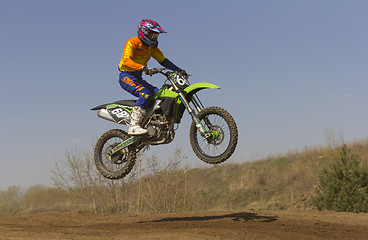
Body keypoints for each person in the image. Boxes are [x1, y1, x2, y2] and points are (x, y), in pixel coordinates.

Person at [118, 19, 184, 135]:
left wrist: (178, 70)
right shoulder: (133, 42)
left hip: (138, 78)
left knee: (160, 94)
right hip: (126, 76)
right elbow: (126, 61)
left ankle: (152, 123)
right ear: (144, 32)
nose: (154, 38)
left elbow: (163, 60)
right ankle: (134, 125)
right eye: (152, 34)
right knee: (145, 93)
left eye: (156, 35)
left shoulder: (151, 48)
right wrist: (143, 68)